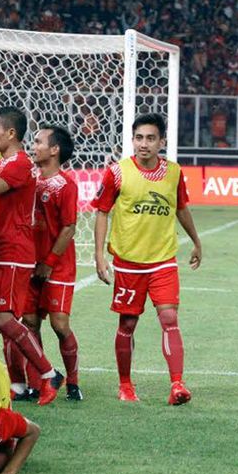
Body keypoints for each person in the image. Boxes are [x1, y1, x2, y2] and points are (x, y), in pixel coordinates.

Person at [93, 113, 201, 405]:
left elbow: (181, 208)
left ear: (161, 141)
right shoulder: (116, 172)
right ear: (132, 140)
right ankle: (125, 385)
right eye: (139, 138)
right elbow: (102, 211)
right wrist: (99, 255)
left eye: (151, 138)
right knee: (127, 324)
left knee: (169, 317)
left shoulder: (175, 172)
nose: (144, 144)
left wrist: (195, 241)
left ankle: (177, 385)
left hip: (163, 259)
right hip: (128, 261)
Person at [0, 107, 64, 406]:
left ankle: (49, 373)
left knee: (2, 316)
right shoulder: (6, 161)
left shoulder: (19, 164)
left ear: (10, 133)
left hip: (14, 251)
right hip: (4, 250)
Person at [23, 125, 82, 401]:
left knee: (59, 325)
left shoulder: (65, 184)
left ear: (55, 149)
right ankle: (39, 382)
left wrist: (48, 262)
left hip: (57, 266)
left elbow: (69, 227)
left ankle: (73, 382)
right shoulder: (29, 179)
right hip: (28, 264)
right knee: (29, 322)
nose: (33, 146)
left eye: (38, 142)